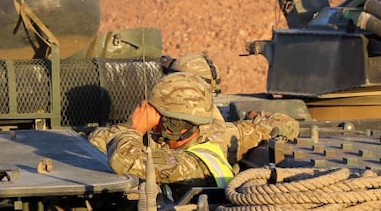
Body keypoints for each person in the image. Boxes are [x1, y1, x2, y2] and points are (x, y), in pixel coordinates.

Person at [89, 73, 299, 188]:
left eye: (157, 114)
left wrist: (136, 128)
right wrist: (255, 118)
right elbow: (288, 124)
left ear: (173, 124)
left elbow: (123, 160)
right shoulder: (223, 135)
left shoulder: (189, 165)